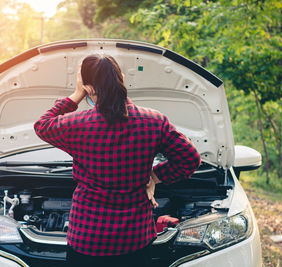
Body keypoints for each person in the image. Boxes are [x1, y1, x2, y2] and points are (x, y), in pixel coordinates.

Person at [34, 54, 201, 267]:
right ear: (121, 78)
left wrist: (76, 94)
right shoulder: (153, 121)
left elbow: (42, 125)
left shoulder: (76, 125)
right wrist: (155, 176)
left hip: (87, 239)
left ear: (89, 88)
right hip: (135, 239)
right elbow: (189, 159)